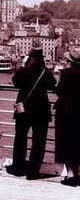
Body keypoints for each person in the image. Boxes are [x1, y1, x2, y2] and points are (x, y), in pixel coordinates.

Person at [7, 46, 56, 180]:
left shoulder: (23, 71)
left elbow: (15, 82)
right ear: (42, 58)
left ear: (30, 57)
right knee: (39, 141)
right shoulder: (45, 72)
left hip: (24, 109)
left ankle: (18, 167)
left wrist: (23, 66)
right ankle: (33, 171)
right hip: (41, 110)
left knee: (20, 138)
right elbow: (53, 84)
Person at [54, 47, 80, 186]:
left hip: (65, 111)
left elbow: (59, 91)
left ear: (69, 61)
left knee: (64, 141)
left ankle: (70, 174)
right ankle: (77, 172)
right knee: (77, 142)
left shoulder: (66, 73)